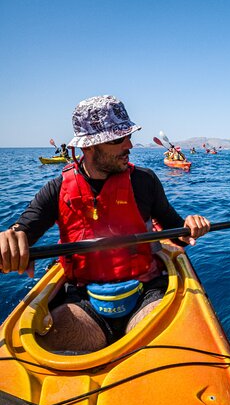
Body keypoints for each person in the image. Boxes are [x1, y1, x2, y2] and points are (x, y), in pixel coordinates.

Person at [0, 95, 210, 352]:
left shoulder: (145, 181)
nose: (130, 145)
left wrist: (190, 227)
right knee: (49, 343)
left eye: (128, 136)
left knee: (166, 349)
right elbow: (22, 232)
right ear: (89, 147)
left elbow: (177, 234)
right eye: (118, 139)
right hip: (84, 298)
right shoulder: (56, 190)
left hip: (146, 292)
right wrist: (10, 241)